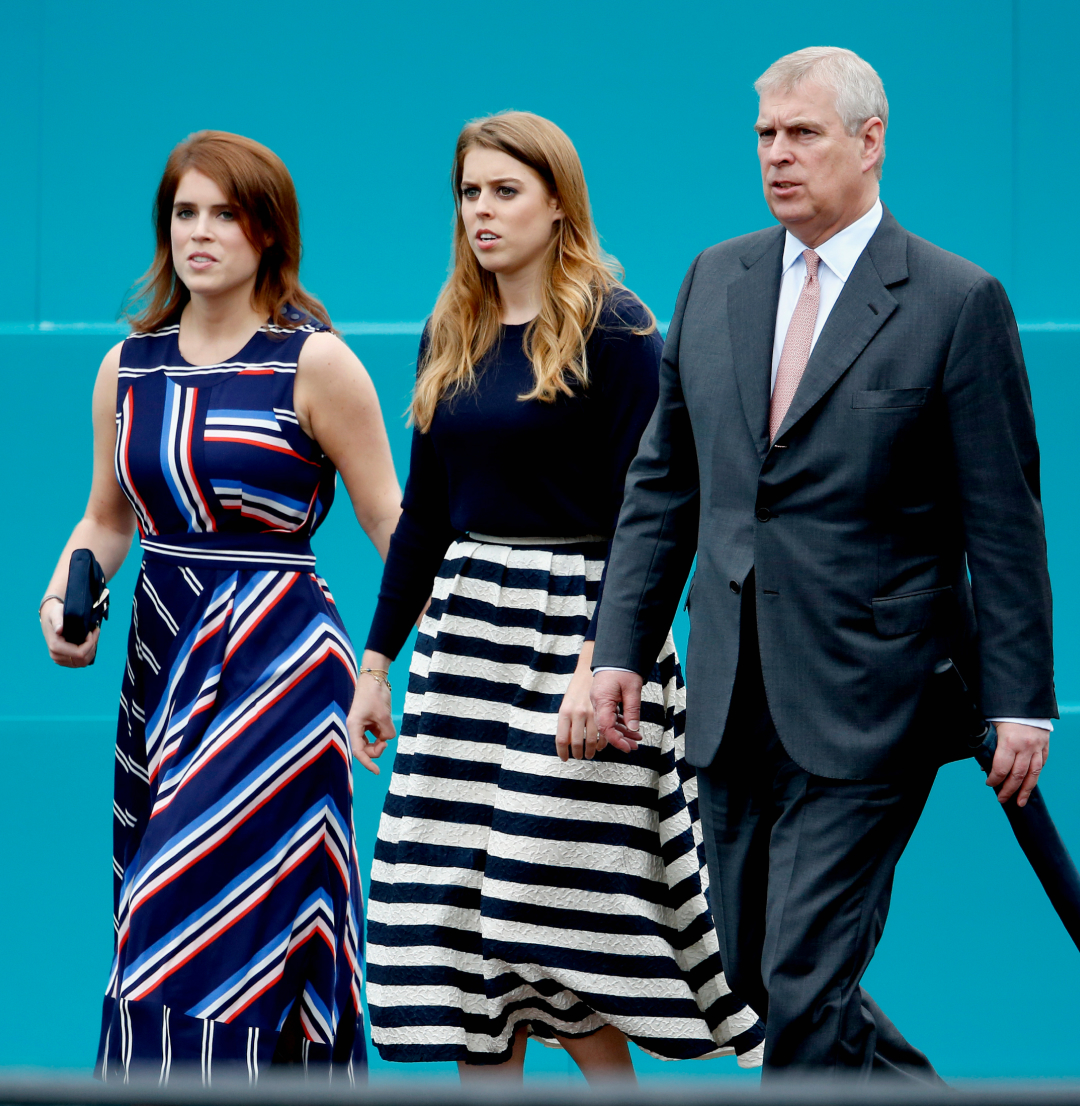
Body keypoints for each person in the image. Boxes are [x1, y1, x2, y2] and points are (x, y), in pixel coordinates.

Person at [590, 47, 1057, 1082]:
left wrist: (1025, 698)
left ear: (869, 140)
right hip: (730, 693)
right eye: (765, 135)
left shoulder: (954, 299)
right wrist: (617, 648)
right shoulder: (716, 277)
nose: (778, 155)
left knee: (803, 978)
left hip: (873, 696)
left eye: (802, 133)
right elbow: (664, 485)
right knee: (758, 973)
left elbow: (1006, 521)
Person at [347, 110, 765, 1081]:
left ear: (556, 203)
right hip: (468, 640)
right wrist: (377, 663)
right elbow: (424, 519)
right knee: (463, 921)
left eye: (505, 191)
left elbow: (650, 511)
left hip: (583, 629)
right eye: (469, 193)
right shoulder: (450, 328)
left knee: (549, 902)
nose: (482, 212)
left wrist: (603, 658)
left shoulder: (618, 329)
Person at [39, 131, 401, 1080]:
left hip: (278, 666)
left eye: (225, 214)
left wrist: (398, 657)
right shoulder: (129, 368)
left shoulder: (314, 363)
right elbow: (105, 519)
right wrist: (64, 591)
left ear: (269, 232)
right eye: (184, 213)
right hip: (162, 662)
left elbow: (389, 521)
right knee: (166, 914)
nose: (201, 233)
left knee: (189, 922)